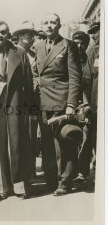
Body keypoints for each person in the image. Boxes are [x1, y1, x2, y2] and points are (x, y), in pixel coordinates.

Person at [0, 21, 34, 200]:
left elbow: (28, 81)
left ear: (8, 33)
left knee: (16, 140)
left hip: (15, 100)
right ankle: (1, 186)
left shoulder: (19, 52)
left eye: (3, 32)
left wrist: (28, 105)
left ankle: (19, 185)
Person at [34, 12, 82, 196]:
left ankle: (65, 181)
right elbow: (35, 72)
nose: (48, 26)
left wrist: (71, 103)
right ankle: (51, 180)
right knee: (46, 145)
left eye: (52, 22)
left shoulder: (68, 45)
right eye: (45, 22)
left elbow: (75, 77)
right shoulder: (38, 46)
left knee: (64, 143)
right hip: (42, 102)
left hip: (61, 101)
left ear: (59, 25)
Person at [12, 21, 39, 179]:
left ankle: (31, 170)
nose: (32, 38)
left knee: (32, 136)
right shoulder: (14, 52)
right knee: (21, 136)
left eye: (32, 35)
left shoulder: (34, 54)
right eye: (29, 35)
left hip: (34, 99)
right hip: (20, 100)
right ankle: (22, 172)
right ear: (20, 36)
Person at [72, 31, 93, 182]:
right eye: (76, 42)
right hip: (71, 104)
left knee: (86, 137)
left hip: (87, 105)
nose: (79, 46)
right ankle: (70, 171)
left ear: (86, 44)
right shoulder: (69, 59)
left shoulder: (90, 60)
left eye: (82, 43)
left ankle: (82, 171)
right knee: (71, 137)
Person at [83, 22, 100, 171]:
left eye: (97, 31)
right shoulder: (92, 52)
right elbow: (87, 81)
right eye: (92, 33)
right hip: (97, 105)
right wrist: (86, 103)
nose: (94, 35)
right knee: (98, 138)